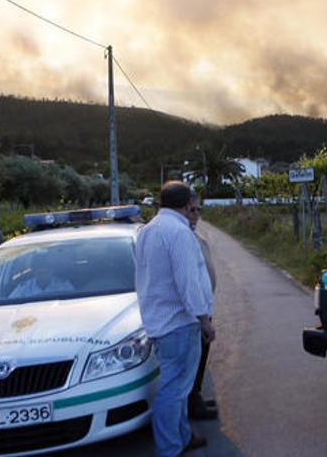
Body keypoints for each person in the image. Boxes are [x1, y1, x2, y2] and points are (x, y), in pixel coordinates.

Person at [135, 181, 214, 457]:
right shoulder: (179, 232)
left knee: (177, 388)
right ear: (185, 204)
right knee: (173, 389)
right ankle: (169, 448)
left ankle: (181, 437)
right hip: (179, 324)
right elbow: (187, 283)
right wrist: (204, 319)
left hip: (160, 321)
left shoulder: (147, 230)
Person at [186, 191, 219, 420]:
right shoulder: (181, 237)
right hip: (193, 314)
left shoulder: (196, 236)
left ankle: (195, 396)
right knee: (191, 362)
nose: (197, 214)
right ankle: (192, 402)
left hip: (203, 310)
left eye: (199, 210)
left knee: (200, 356)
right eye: (192, 210)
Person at [9, 255, 73, 299]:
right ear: (34, 272)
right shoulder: (23, 288)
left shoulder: (63, 285)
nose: (43, 276)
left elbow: (71, 303)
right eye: (40, 273)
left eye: (46, 272)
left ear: (52, 271)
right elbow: (10, 302)